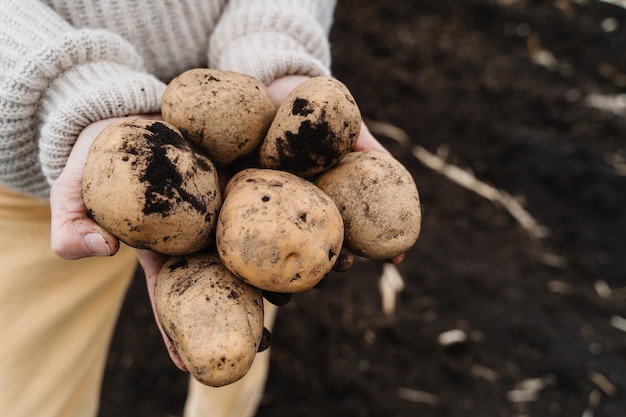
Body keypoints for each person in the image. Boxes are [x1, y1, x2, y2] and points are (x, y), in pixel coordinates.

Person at [0, 1, 396, 417]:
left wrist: (271, 39)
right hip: (42, 152)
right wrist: (63, 85)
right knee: (30, 389)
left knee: (239, 335)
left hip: (249, 127)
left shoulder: (264, 204)